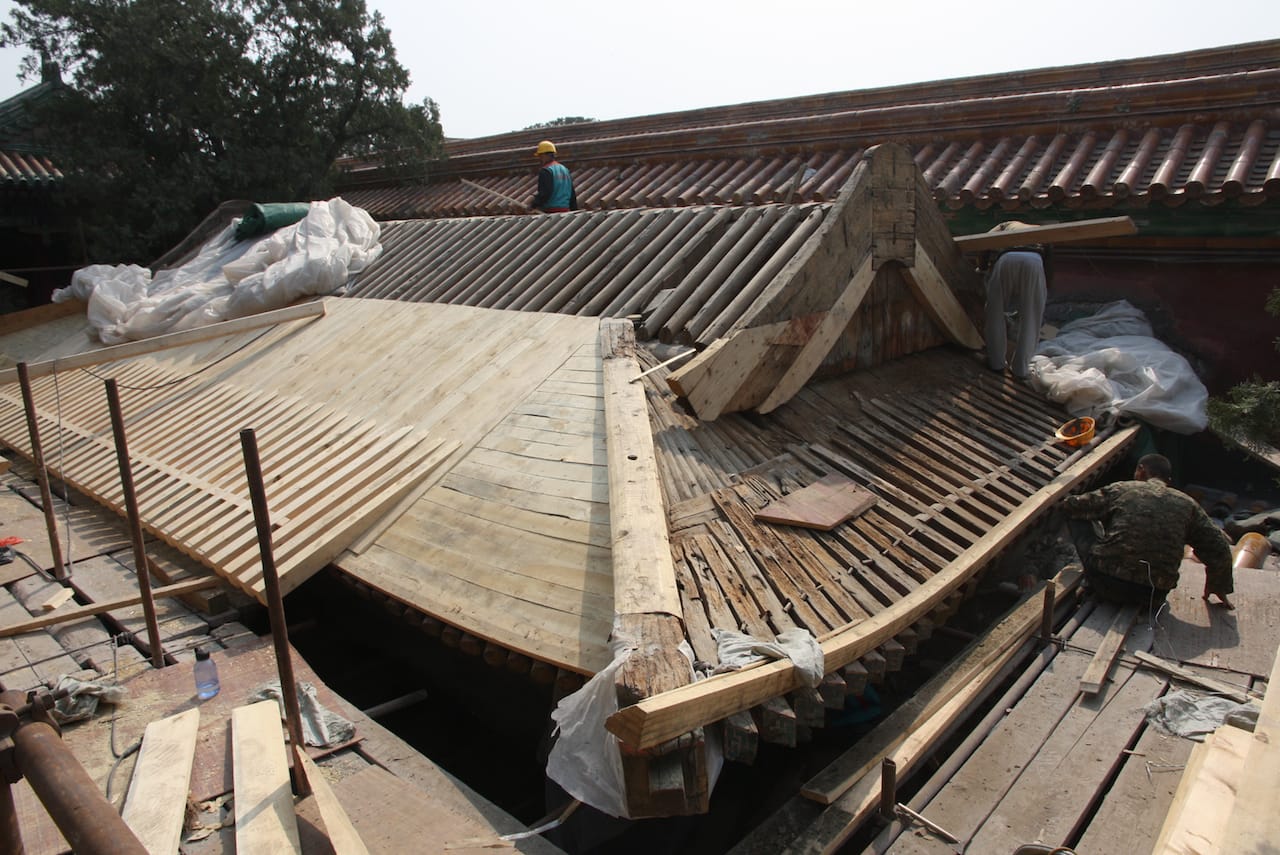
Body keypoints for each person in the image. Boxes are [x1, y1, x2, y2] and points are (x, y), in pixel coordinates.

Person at [1061, 453, 1234, 610]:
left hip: (1106, 582)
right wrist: (1218, 584)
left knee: (1078, 515)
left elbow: (1071, 505)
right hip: (1153, 596)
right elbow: (1219, 547)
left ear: (1141, 471)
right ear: (1169, 480)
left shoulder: (1123, 489)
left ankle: (1091, 576)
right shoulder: (1189, 505)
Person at [980, 222, 1051, 379]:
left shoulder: (1004, 225)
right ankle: (1020, 369)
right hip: (1035, 260)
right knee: (1031, 318)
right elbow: (1050, 257)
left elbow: (984, 242)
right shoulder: (1042, 229)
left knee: (994, 310)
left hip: (1007, 257)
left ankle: (996, 362)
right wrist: (1045, 286)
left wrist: (983, 267)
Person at [530, 140, 578, 213]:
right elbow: (572, 194)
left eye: (540, 156)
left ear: (546, 155)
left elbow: (545, 193)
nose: (540, 158)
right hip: (565, 210)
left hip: (551, 211)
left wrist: (533, 205)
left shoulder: (546, 171)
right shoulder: (565, 170)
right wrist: (574, 210)